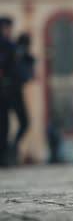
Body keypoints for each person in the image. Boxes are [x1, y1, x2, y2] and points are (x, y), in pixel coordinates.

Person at [10, 32, 35, 164]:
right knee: (24, 121)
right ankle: (10, 148)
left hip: (12, 89)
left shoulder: (17, 51)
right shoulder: (20, 53)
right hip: (13, 90)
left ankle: (10, 148)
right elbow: (24, 74)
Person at [0, 17, 15, 167]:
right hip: (4, 88)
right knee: (3, 122)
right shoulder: (7, 44)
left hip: (5, 87)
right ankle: (3, 154)